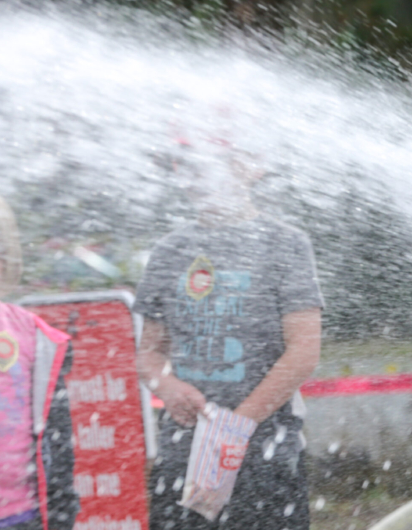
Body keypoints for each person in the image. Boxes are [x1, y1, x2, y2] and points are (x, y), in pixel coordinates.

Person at [136, 136, 323, 529]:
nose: (193, 177)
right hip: (183, 452)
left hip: (266, 453)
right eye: (183, 166)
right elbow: (150, 353)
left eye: (207, 164)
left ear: (248, 167)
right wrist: (168, 387)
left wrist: (237, 426)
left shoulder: (285, 244)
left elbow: (303, 350)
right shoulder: (170, 250)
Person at [0, 188, 78, 530]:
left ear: (7, 260)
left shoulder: (34, 336)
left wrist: (63, 509)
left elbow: (58, 437)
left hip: (22, 514)